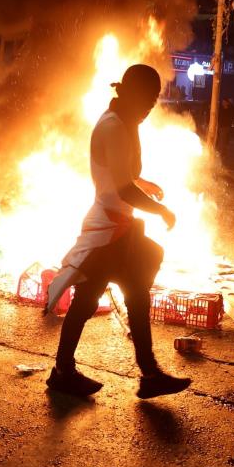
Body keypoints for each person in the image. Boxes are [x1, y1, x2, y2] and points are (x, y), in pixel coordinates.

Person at [45, 64, 191, 399]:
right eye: (148, 98)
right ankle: (71, 371)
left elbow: (123, 175)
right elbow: (122, 189)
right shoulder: (113, 126)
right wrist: (161, 210)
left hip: (120, 229)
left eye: (155, 99)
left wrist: (144, 184)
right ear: (130, 93)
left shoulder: (125, 122)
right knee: (93, 300)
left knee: (133, 291)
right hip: (108, 229)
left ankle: (144, 373)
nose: (152, 105)